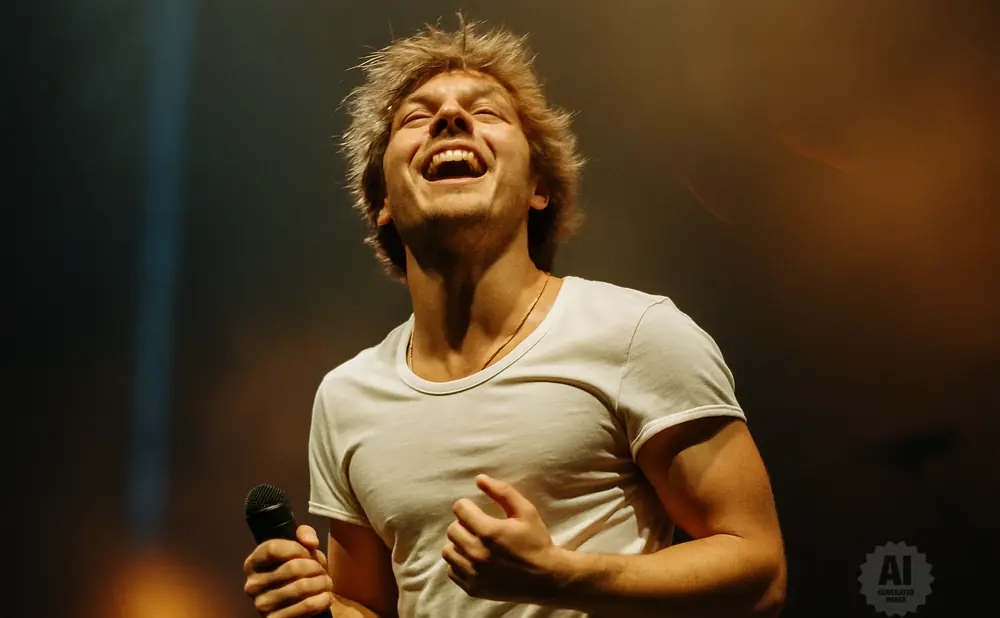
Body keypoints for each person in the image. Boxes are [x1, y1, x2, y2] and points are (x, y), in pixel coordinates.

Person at [243, 15, 786, 618]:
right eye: (417, 117)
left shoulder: (637, 335)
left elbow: (760, 572)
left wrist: (562, 577)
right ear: (383, 207)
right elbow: (364, 605)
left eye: (488, 112)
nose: (451, 118)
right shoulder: (345, 397)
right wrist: (319, 606)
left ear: (539, 187)